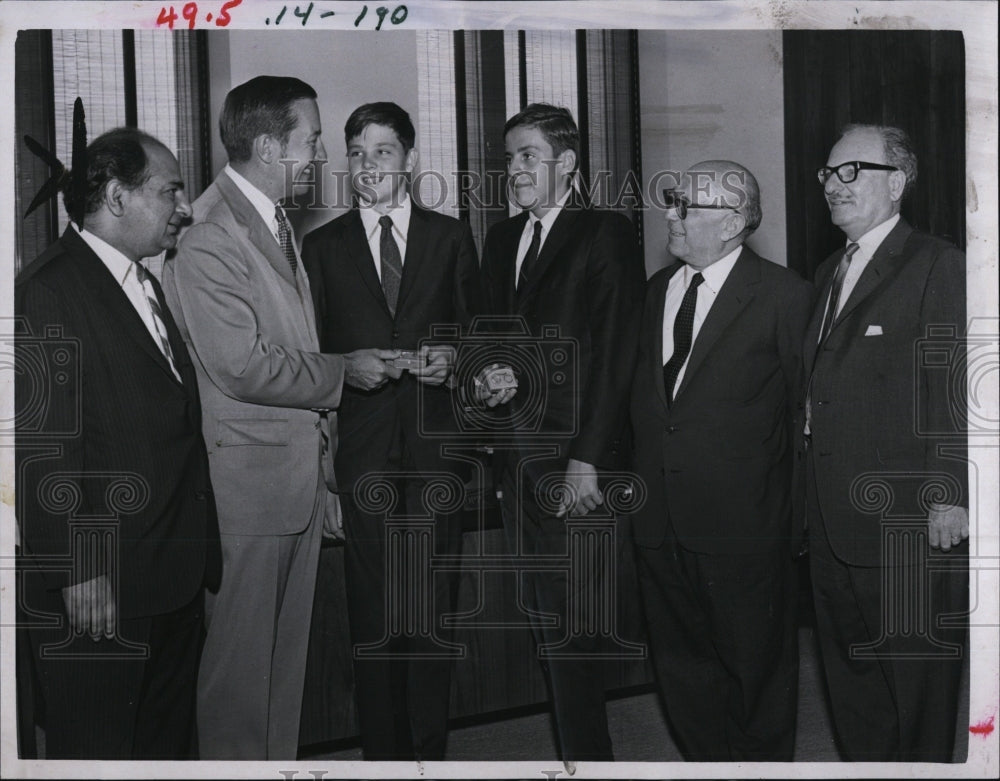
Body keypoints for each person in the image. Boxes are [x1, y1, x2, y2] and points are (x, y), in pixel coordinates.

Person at [162, 76, 397, 760]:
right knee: (239, 688)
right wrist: (340, 370)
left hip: (288, 484)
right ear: (267, 146)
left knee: (280, 683)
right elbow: (241, 363)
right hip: (246, 493)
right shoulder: (209, 233)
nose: (321, 155)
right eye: (313, 140)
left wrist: (323, 473)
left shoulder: (273, 221)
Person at [15, 127, 218, 758]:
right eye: (170, 191)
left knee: (164, 751)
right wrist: (79, 571)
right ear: (116, 197)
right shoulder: (47, 291)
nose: (183, 207)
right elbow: (44, 449)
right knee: (99, 751)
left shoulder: (144, 281)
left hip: (169, 573)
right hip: (102, 586)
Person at [300, 101, 481, 760]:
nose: (368, 163)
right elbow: (313, 358)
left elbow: (478, 336)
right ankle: (383, 759)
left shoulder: (450, 237)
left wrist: (454, 359)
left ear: (408, 159)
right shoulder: (320, 247)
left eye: (382, 150)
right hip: (363, 459)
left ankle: (429, 756)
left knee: (431, 616)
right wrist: (326, 475)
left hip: (438, 456)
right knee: (374, 619)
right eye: (356, 151)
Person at [478, 103, 646, 762]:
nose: (514, 169)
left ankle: (589, 758)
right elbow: (493, 344)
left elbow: (612, 352)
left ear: (568, 162)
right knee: (545, 615)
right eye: (510, 157)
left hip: (576, 464)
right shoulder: (499, 240)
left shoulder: (604, 231)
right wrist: (489, 373)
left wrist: (588, 459)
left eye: (528, 156)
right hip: (515, 463)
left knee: (576, 623)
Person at [629, 161, 813, 760]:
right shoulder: (659, 289)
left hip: (746, 529)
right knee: (683, 673)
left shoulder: (786, 295)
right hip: (661, 520)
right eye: (673, 201)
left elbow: (804, 417)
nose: (672, 215)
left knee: (756, 678)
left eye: (688, 206)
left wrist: (791, 520)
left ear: (734, 222)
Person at [803, 124, 968, 761]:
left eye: (852, 171)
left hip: (908, 521)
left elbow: (953, 387)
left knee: (917, 692)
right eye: (827, 174)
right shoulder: (826, 272)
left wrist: (950, 494)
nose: (833, 186)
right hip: (832, 520)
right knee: (853, 689)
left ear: (896, 183)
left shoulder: (936, 262)